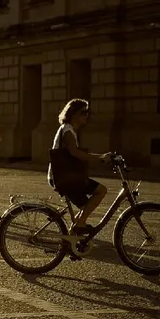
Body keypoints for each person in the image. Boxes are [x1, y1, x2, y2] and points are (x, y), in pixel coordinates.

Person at [47, 99, 112, 235]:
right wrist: (100, 157)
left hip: (65, 175)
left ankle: (75, 231)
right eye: (83, 112)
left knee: (86, 206)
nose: (86, 115)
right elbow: (75, 152)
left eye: (87, 112)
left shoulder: (68, 129)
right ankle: (79, 225)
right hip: (64, 177)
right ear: (73, 113)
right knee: (101, 190)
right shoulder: (68, 130)